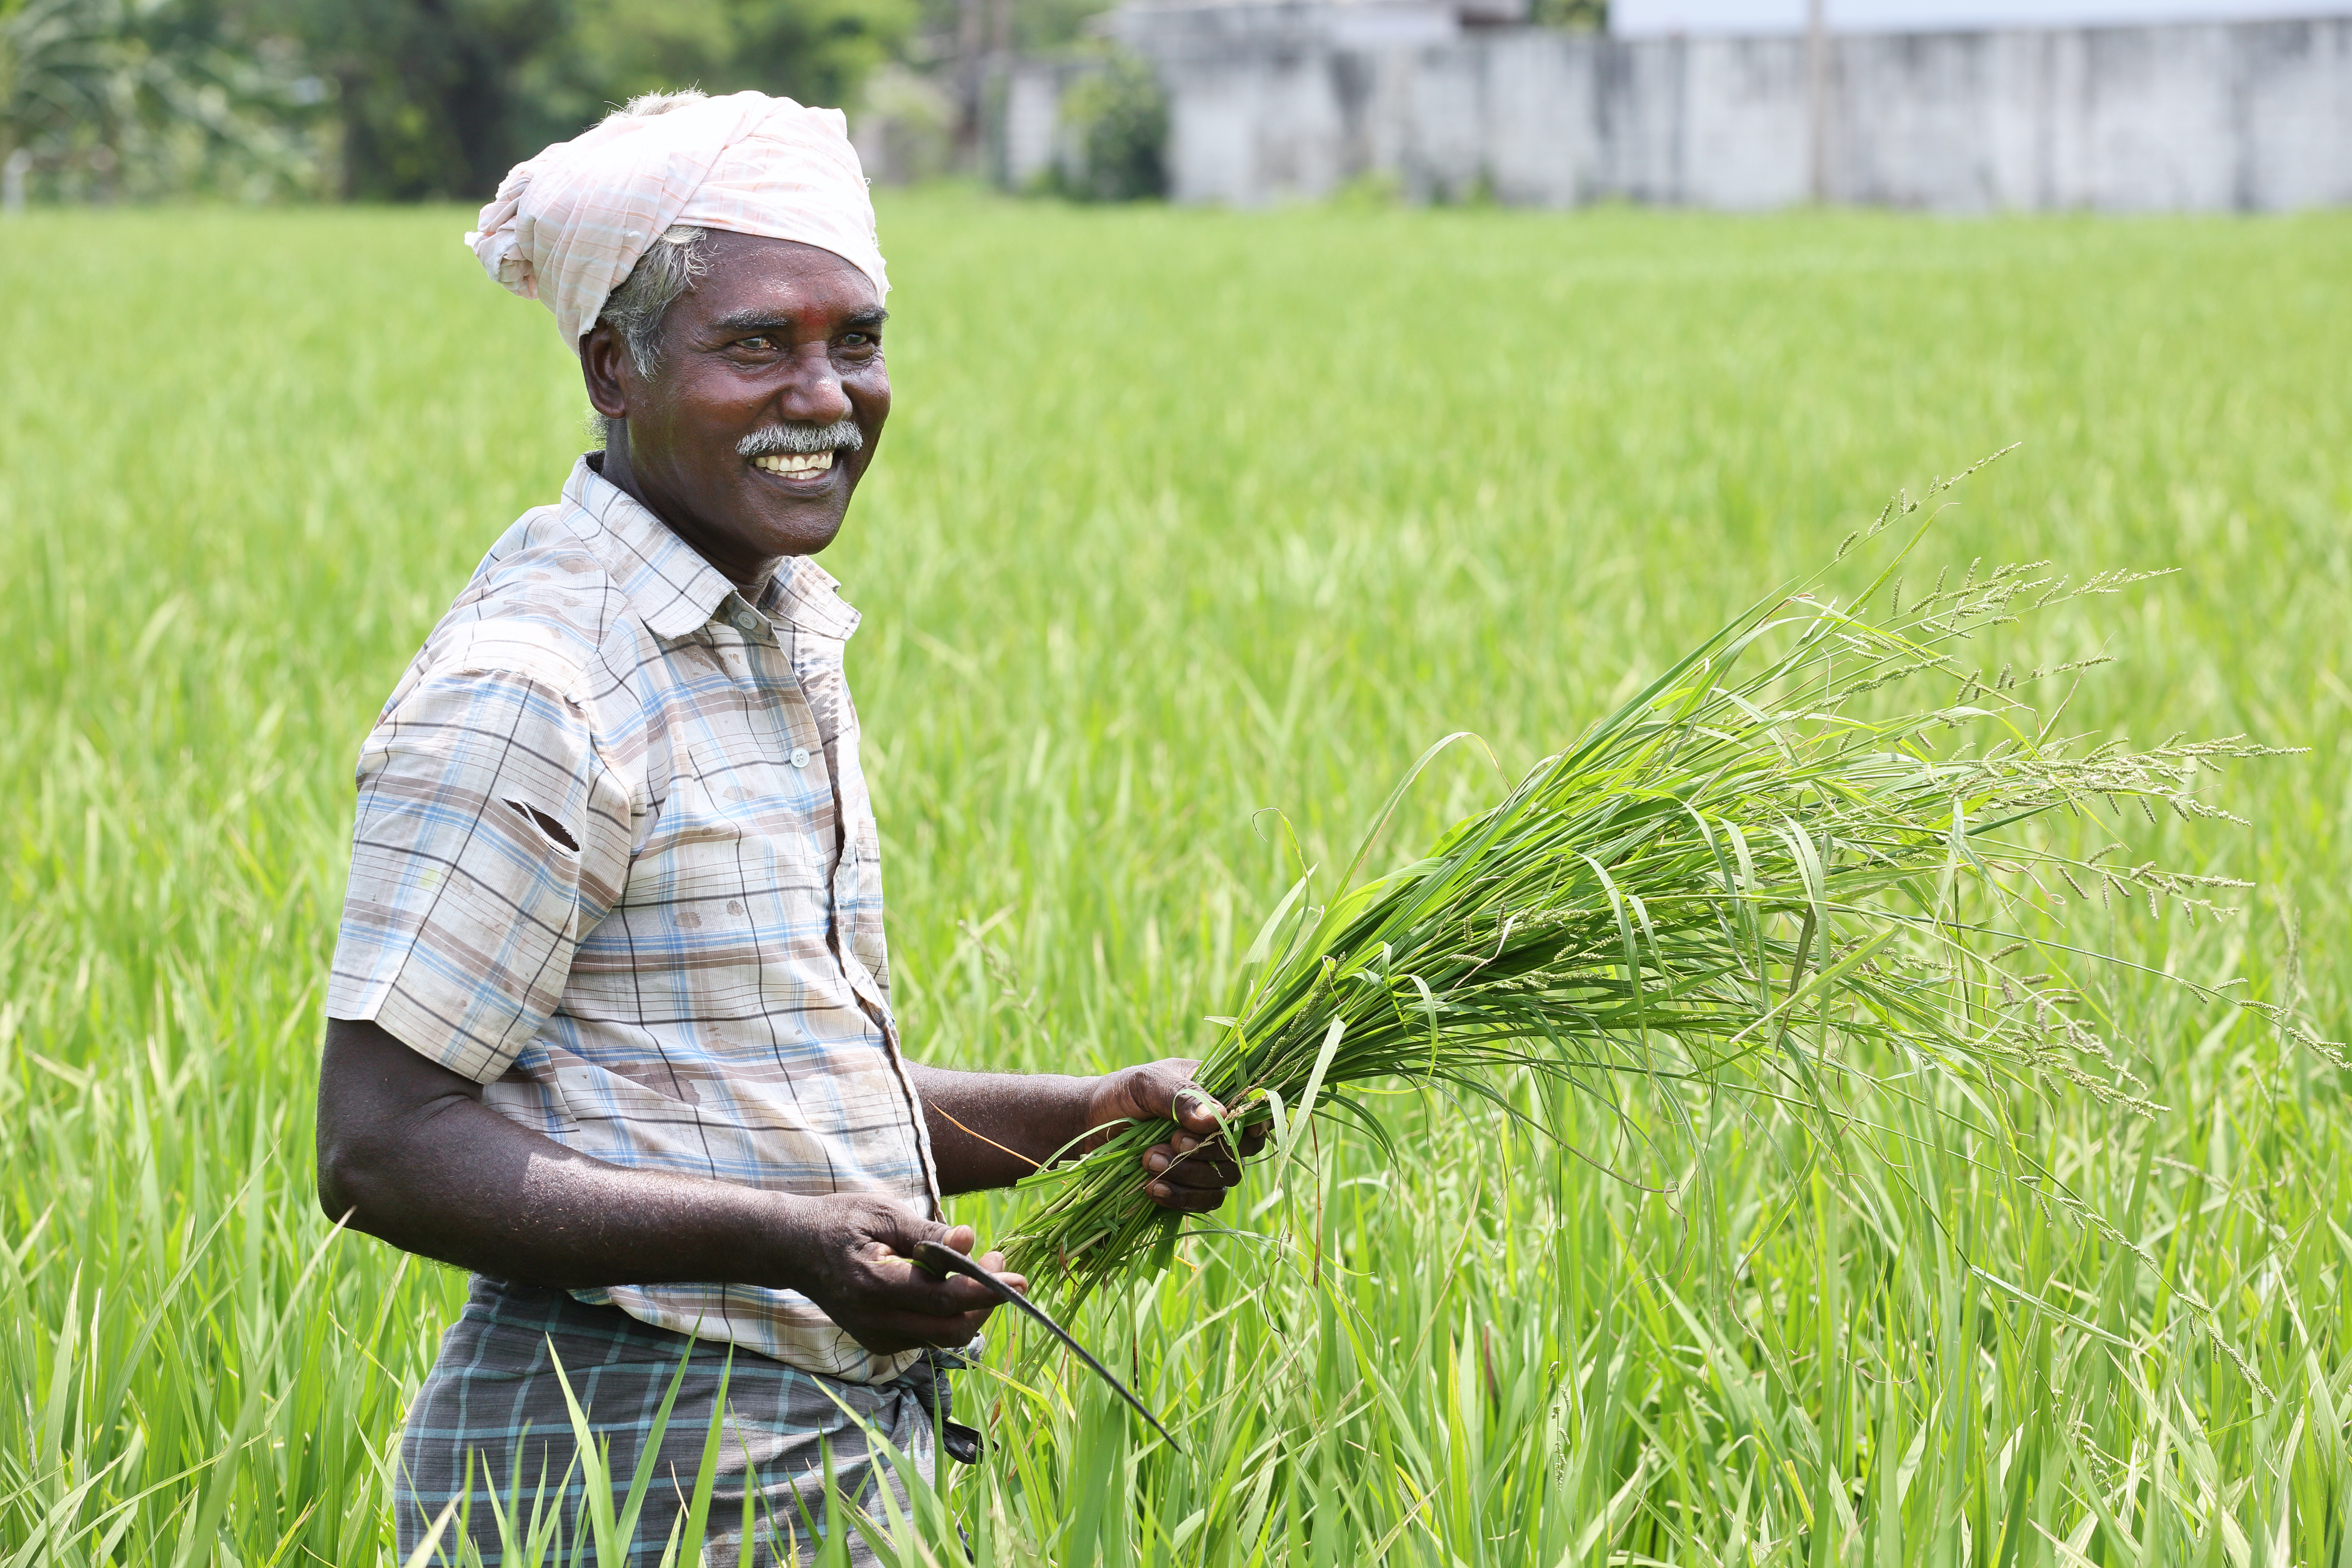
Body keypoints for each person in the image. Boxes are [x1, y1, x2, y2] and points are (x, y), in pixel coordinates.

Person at [313, 88, 1252, 1565]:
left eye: (855, 341)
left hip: (803, 1462)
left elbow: (750, 1089)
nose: (824, 395)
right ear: (613, 366)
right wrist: (790, 1244)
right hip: (621, 1467)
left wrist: (1082, 1120)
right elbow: (381, 1150)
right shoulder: (541, 686)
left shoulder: (762, 636)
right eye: (757, 344)